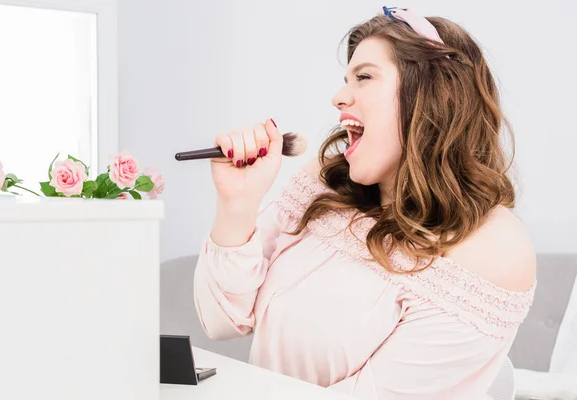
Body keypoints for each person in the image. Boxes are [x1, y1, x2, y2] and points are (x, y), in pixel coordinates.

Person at [193, 6, 537, 400]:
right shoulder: (327, 184)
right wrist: (238, 202)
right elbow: (221, 322)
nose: (339, 97)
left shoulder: (494, 248)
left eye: (364, 77)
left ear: (433, 94)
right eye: (345, 80)